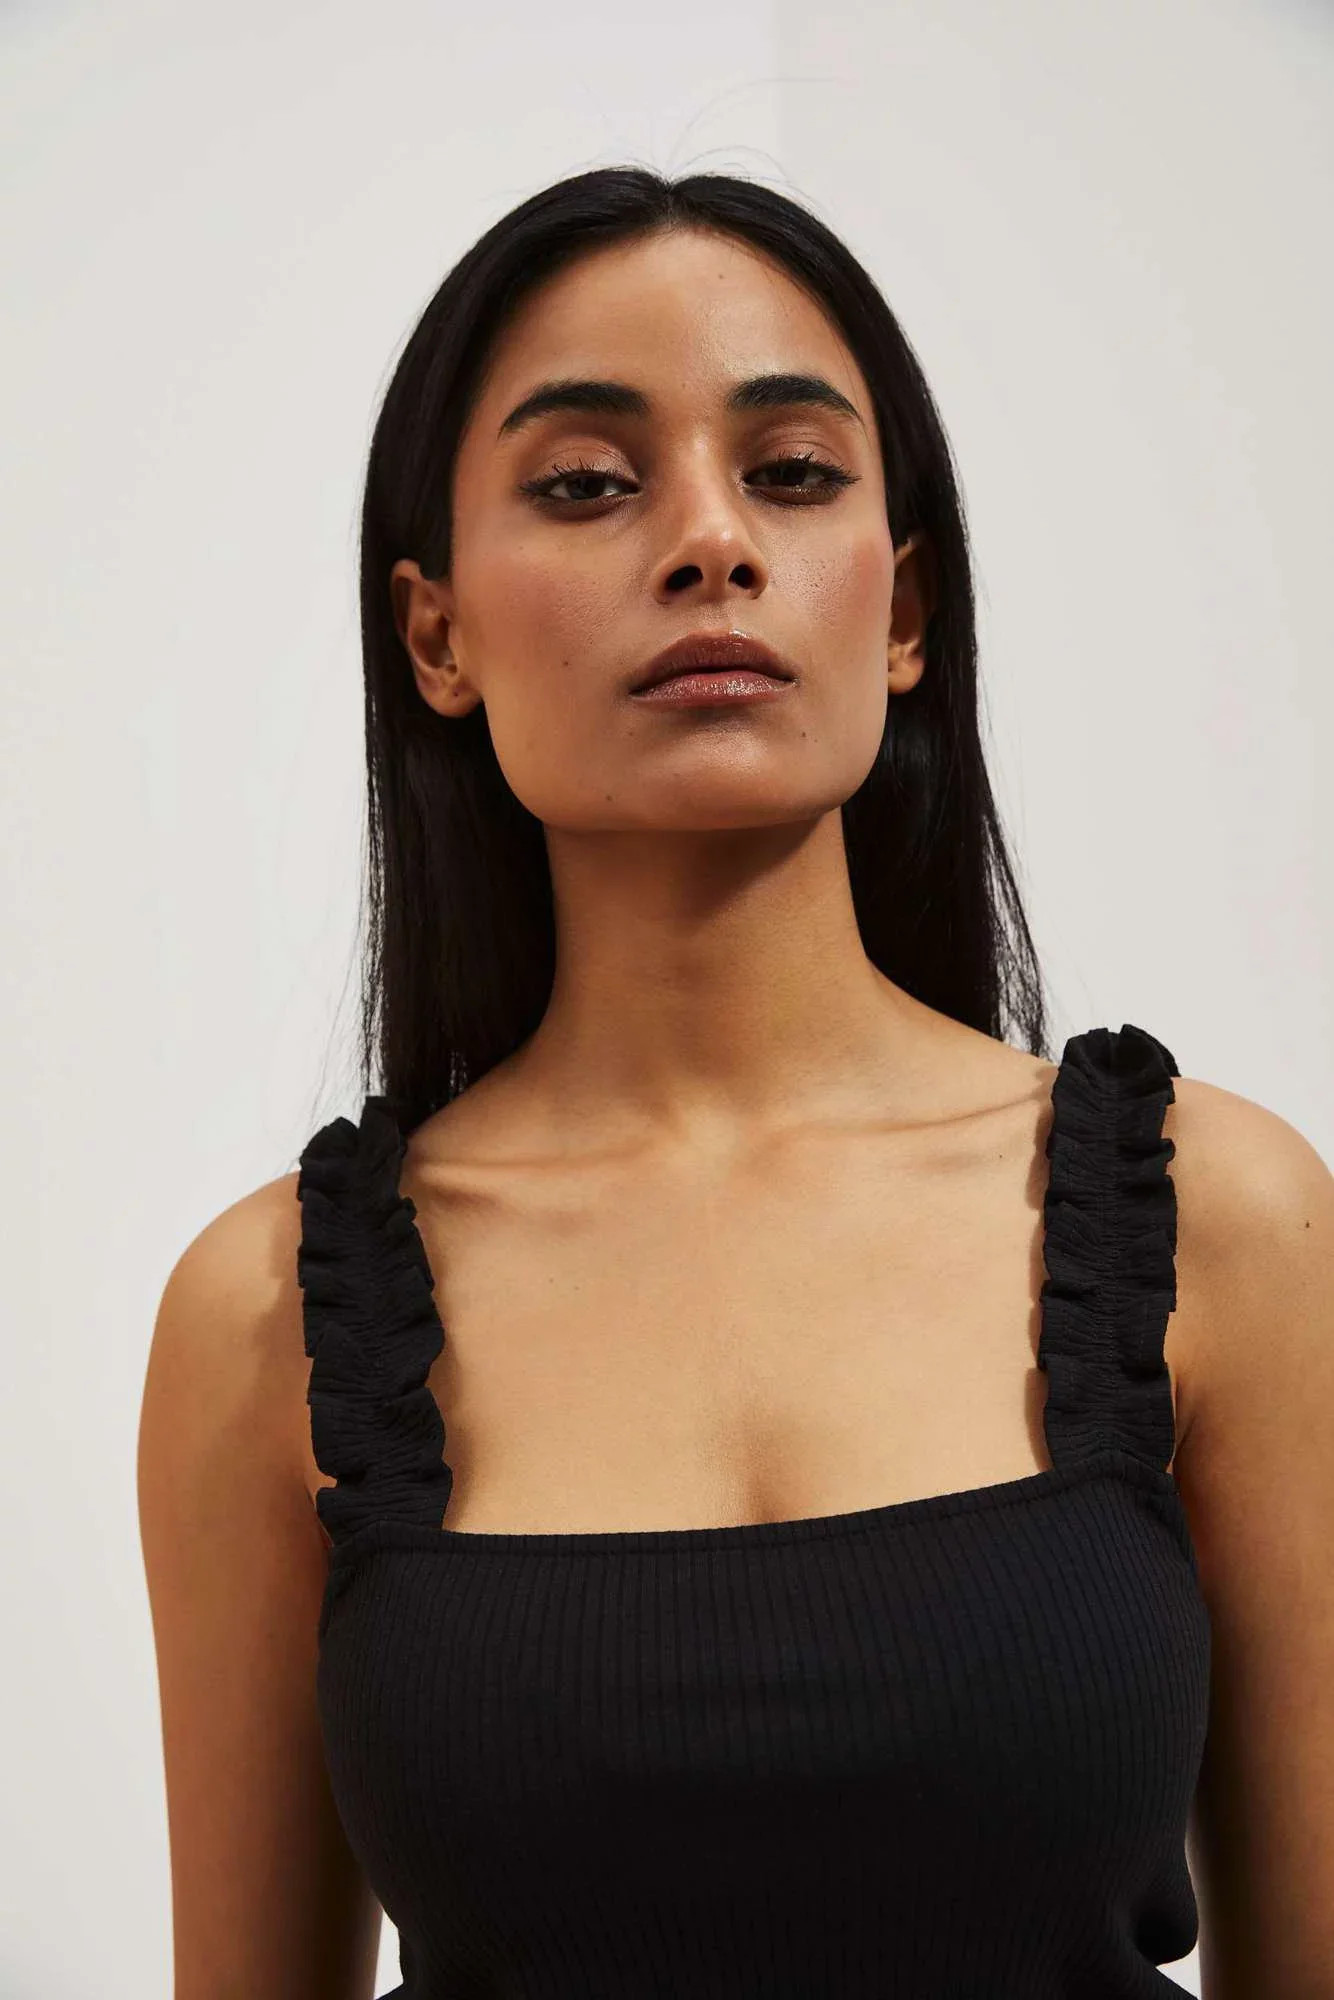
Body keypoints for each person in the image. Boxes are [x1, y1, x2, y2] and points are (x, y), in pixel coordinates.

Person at [137, 167, 1334, 1999]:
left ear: (904, 609)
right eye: (586, 484)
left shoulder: (1222, 1224)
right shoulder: (267, 1322)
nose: (709, 542)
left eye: (788, 470)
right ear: (435, 636)